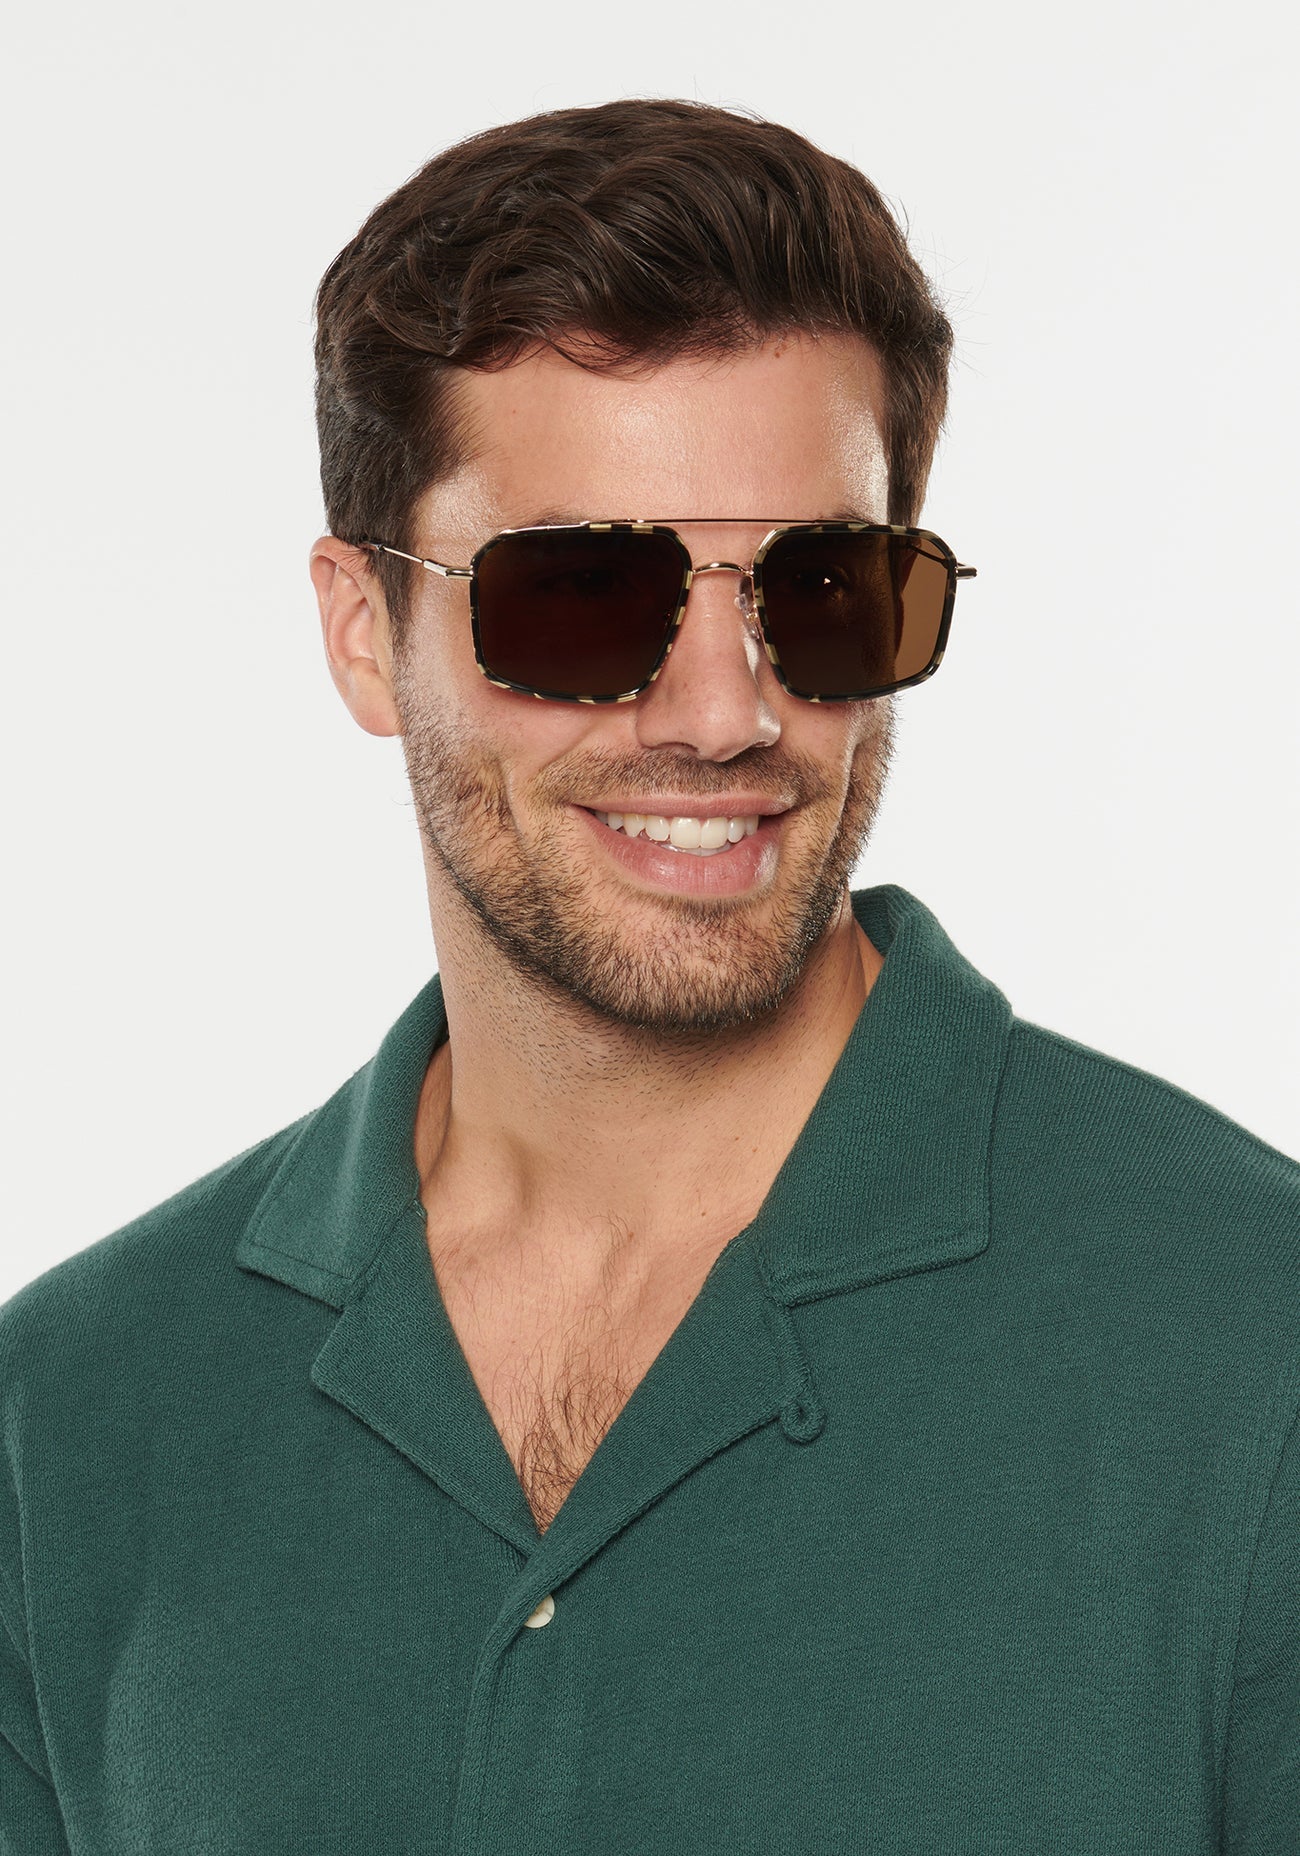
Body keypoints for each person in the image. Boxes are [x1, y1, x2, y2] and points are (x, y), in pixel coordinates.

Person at [2, 97, 1297, 1854]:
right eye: (578, 598)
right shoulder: (70, 1421)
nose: (723, 713)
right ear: (366, 631)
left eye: (822, 590)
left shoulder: (1253, 1344)